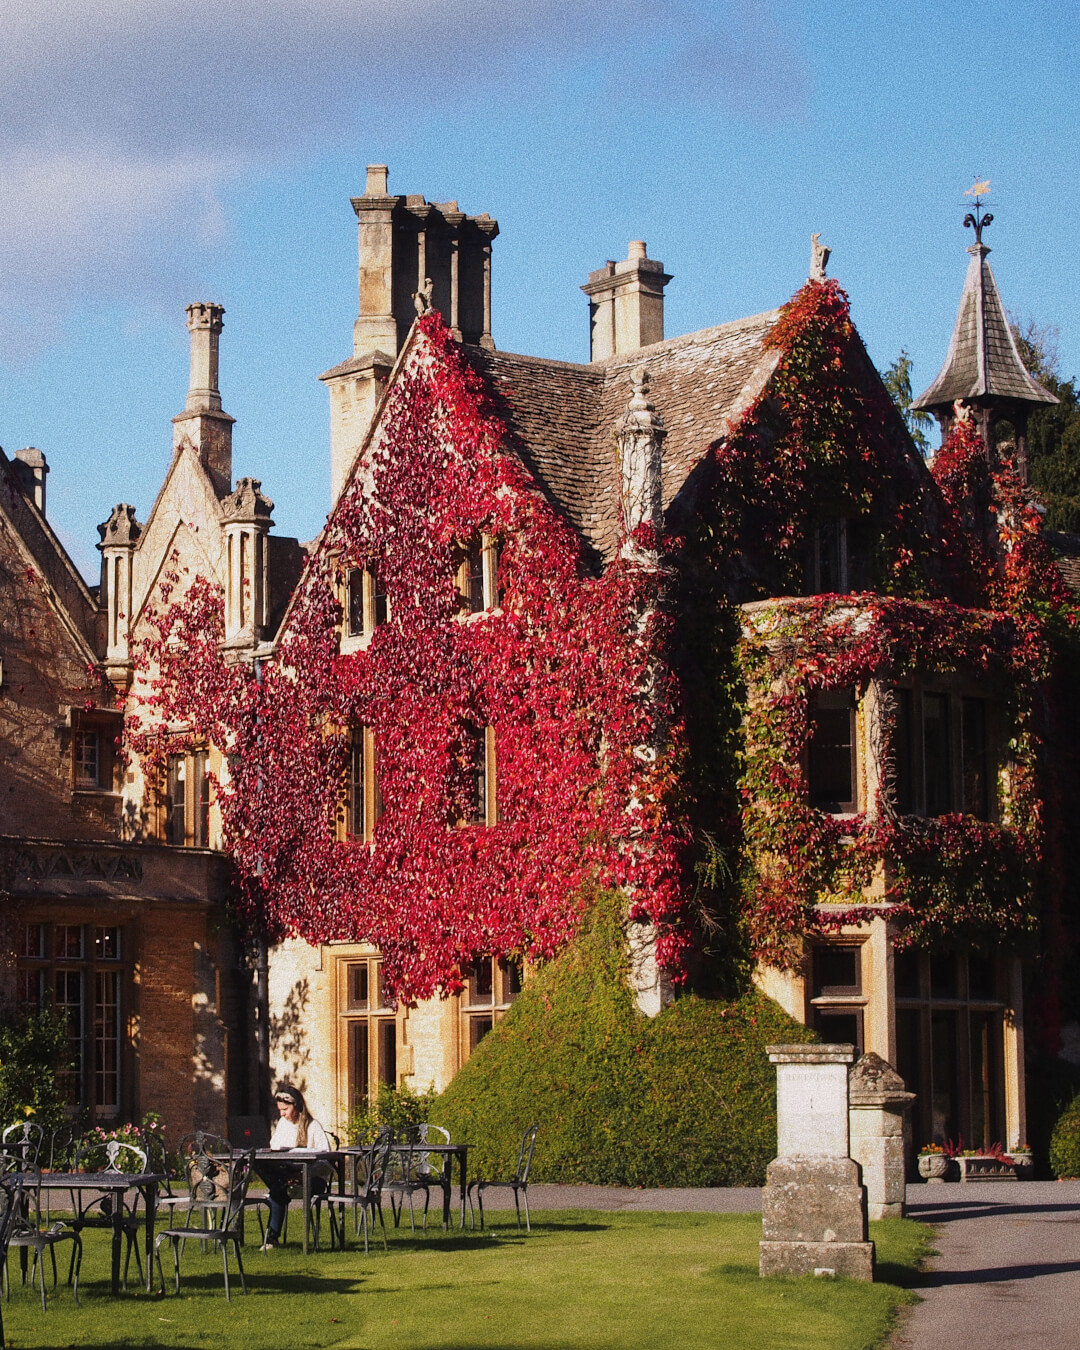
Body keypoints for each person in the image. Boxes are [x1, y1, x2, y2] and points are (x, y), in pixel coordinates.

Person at [257, 1084, 333, 1250]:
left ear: (297, 1106)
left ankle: (271, 1238)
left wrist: (303, 1173)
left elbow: (326, 1162)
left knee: (277, 1192)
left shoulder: (313, 1127)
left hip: (313, 1179)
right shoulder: (283, 1125)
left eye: (285, 1109)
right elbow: (274, 1149)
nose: (282, 1114)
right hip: (286, 1176)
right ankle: (271, 1239)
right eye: (280, 1110)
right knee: (274, 1183)